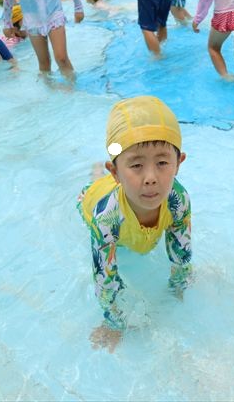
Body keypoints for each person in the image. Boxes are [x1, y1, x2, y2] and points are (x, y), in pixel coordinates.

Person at [77, 95, 192, 352]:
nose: (151, 177)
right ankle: (97, 174)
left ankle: (102, 172)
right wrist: (114, 322)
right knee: (93, 185)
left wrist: (179, 285)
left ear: (178, 164)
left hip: (119, 190)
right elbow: (105, 277)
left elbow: (181, 251)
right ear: (116, 171)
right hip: (91, 200)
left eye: (162, 163)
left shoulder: (178, 200)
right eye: (137, 165)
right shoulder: (106, 217)